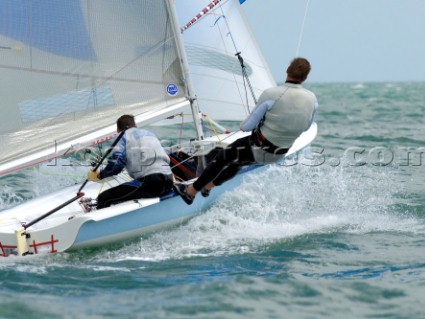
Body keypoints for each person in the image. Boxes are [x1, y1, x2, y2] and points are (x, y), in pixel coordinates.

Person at [174, 57, 318, 205]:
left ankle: (191, 192)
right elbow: (306, 127)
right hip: (279, 154)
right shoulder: (312, 99)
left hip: (258, 149)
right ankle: (208, 187)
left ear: (287, 70)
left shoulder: (271, 94)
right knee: (238, 162)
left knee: (222, 157)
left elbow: (246, 127)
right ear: (305, 77)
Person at [86, 114, 173, 209]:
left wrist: (99, 175)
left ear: (118, 130)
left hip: (151, 184)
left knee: (104, 197)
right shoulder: (150, 134)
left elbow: (118, 162)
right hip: (169, 181)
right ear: (135, 126)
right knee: (127, 191)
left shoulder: (122, 136)